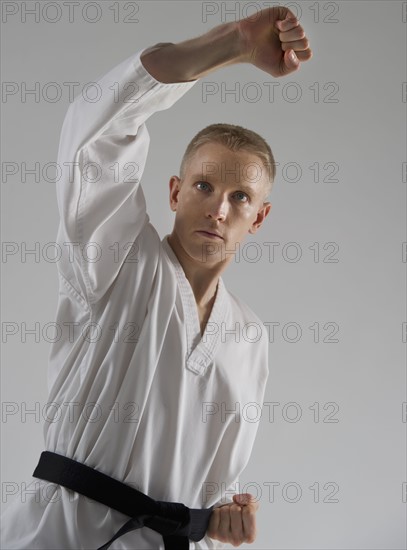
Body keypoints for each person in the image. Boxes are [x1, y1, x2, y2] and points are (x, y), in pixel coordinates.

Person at [1, 6, 312, 549]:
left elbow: (217, 491)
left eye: (240, 197)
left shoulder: (249, 337)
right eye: (203, 186)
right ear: (174, 192)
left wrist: (225, 521)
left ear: (258, 218)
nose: (218, 209)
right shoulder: (117, 258)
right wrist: (230, 44)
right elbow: (97, 131)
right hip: (63, 536)